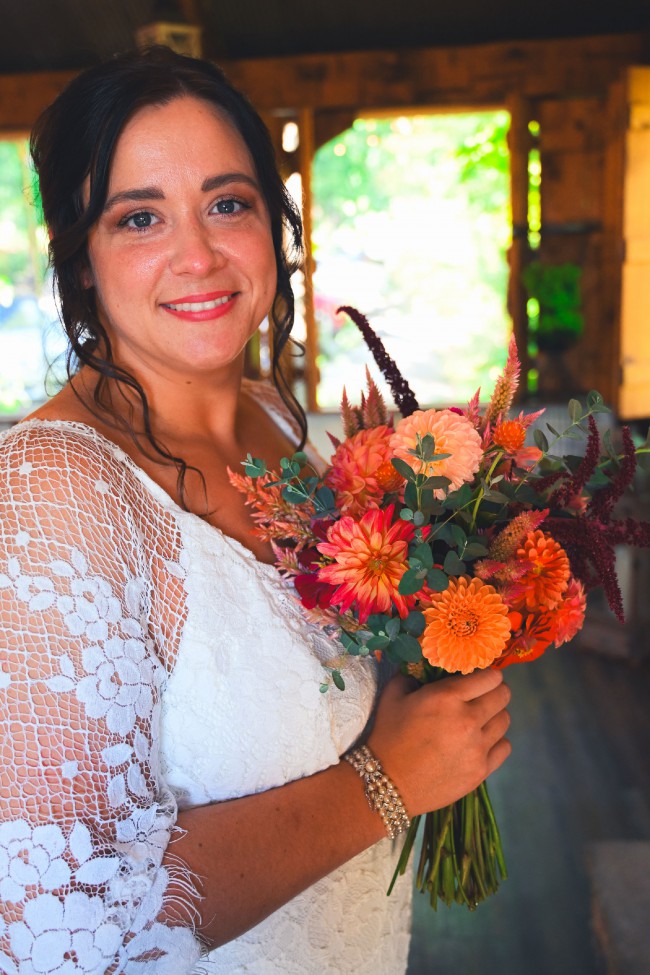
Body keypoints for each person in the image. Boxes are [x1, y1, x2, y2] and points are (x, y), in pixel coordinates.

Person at [0, 46, 511, 974]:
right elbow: (60, 926)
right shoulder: (54, 492)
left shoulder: (276, 422)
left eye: (228, 204)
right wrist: (387, 782)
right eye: (139, 217)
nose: (198, 256)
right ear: (81, 261)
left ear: (276, 225)